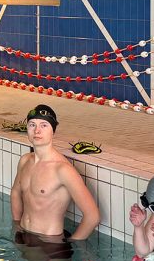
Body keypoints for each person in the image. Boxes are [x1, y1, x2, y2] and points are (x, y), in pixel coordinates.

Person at [10, 104, 101, 252]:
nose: (37, 130)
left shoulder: (62, 170)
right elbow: (15, 192)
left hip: (49, 243)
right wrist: (16, 225)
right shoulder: (25, 160)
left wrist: (68, 244)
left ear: (53, 131)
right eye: (32, 125)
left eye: (44, 125)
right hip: (24, 234)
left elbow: (93, 216)